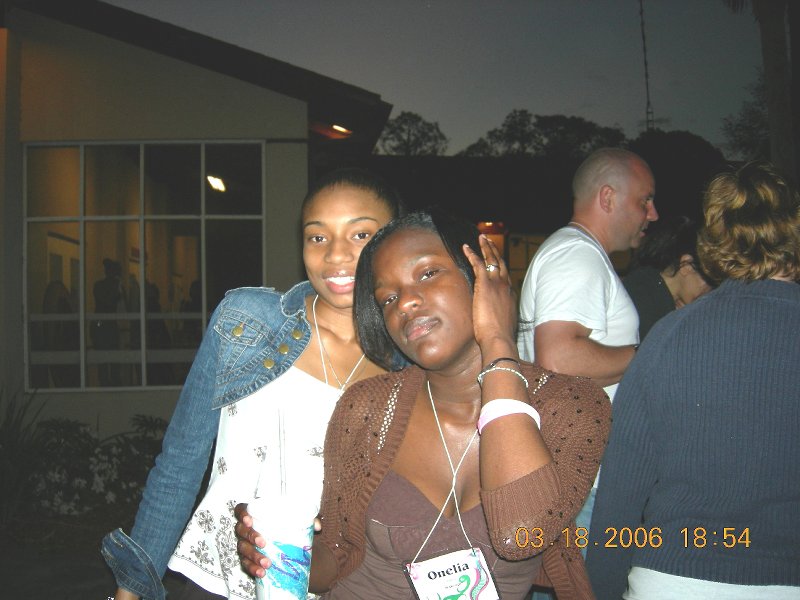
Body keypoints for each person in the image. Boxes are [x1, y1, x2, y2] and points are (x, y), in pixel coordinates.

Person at [235, 209, 611, 599]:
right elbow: (335, 559)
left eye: (428, 274)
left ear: (484, 277)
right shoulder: (368, 409)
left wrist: (498, 342)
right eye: (388, 298)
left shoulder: (573, 407)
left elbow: (519, 534)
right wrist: (278, 554)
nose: (405, 303)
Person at [101, 168, 405, 600]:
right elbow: (181, 461)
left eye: (360, 235)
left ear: (393, 241)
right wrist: (130, 590)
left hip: (340, 584)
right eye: (317, 236)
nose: (335, 254)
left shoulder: (407, 361)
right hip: (221, 580)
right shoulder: (246, 321)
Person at [586, 161, 800, 599]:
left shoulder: (668, 336)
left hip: (673, 579)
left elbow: (622, 491)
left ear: (713, 241)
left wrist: (600, 590)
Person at [516, 147, 657, 561]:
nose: (653, 214)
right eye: (645, 200)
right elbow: (559, 358)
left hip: (574, 475)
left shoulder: (576, 253)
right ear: (608, 197)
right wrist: (652, 354)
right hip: (584, 484)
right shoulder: (577, 255)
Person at [622, 215, 712, 339]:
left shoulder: (644, 283)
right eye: (709, 282)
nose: (710, 292)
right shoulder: (651, 309)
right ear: (687, 266)